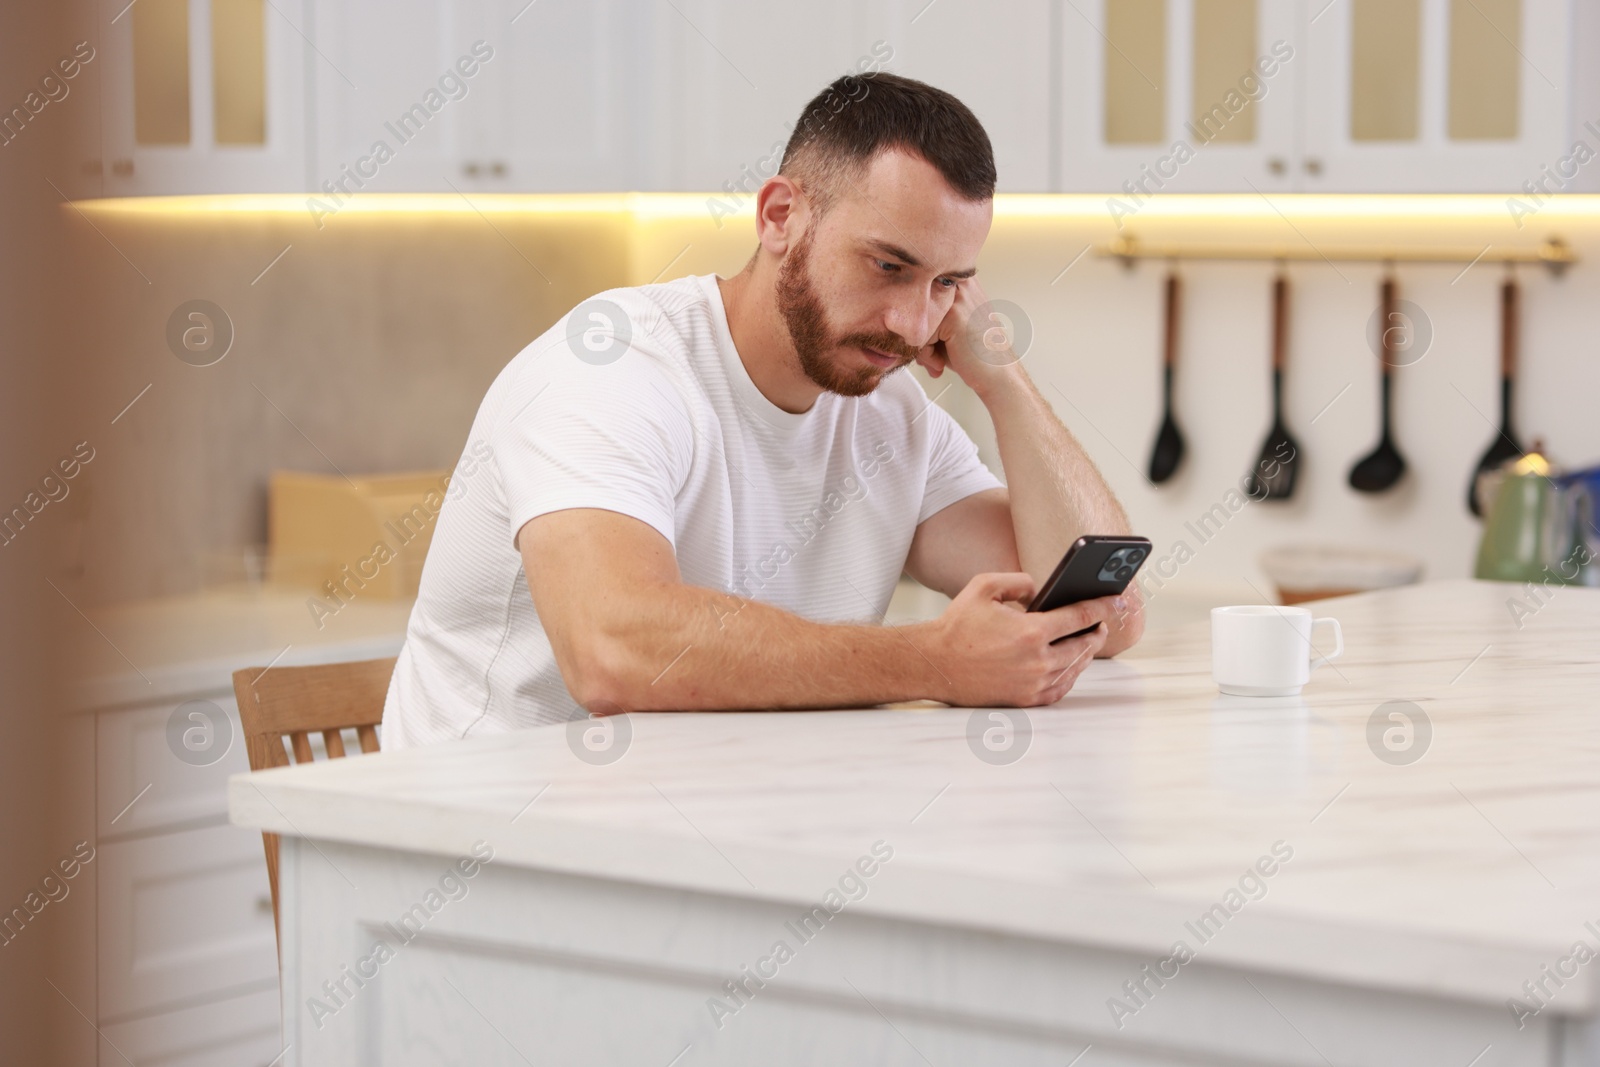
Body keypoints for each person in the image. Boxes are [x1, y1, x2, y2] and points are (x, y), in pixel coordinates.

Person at [381, 72, 1142, 749]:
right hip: (477, 851)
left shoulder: (891, 413)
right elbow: (611, 649)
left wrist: (1003, 381)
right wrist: (934, 659)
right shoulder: (610, 366)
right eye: (889, 266)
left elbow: (1108, 612)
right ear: (781, 216)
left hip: (690, 839)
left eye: (948, 283)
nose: (913, 325)